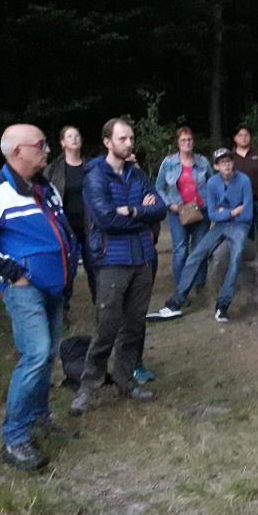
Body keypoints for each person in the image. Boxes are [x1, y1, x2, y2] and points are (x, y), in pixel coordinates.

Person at [0, 124, 78, 471]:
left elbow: (60, 232)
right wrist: (14, 275)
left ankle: (39, 418)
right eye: (40, 144)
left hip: (55, 286)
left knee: (49, 353)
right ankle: (14, 438)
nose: (46, 149)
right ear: (16, 153)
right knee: (37, 354)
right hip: (25, 290)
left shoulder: (45, 187)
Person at [70, 118, 166, 415]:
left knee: (134, 325)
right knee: (107, 326)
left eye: (131, 138)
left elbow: (160, 207)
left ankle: (126, 381)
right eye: (123, 138)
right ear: (107, 142)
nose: (129, 143)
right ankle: (88, 386)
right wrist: (142, 215)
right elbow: (106, 219)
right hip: (112, 260)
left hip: (142, 259)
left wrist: (135, 209)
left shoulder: (136, 175)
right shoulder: (96, 177)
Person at [148, 148, 254, 324]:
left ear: (232, 163)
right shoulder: (212, 182)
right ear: (216, 166)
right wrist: (232, 211)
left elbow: (248, 213)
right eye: (222, 162)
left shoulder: (243, 180)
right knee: (195, 255)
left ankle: (223, 305)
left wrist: (226, 212)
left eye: (229, 161)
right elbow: (212, 214)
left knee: (235, 260)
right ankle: (176, 302)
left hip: (240, 227)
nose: (226, 164)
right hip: (221, 225)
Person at [45, 125, 97, 322]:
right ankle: (62, 311)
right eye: (70, 136)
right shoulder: (52, 170)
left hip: (90, 225)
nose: (74, 139)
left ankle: (101, 307)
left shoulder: (92, 167)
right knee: (67, 270)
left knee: (95, 268)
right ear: (62, 142)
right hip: (65, 229)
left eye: (77, 135)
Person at [155, 127, 212, 292]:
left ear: (193, 142)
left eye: (190, 140)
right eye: (183, 140)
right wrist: (169, 204)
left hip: (201, 212)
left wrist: (212, 203)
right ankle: (181, 289)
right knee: (180, 251)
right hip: (178, 213)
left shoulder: (202, 162)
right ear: (178, 143)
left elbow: (212, 183)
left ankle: (200, 286)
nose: (187, 143)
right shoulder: (169, 162)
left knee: (200, 249)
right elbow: (159, 188)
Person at [231, 125, 258, 239]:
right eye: (240, 135)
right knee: (245, 237)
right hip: (241, 203)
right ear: (235, 138)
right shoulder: (231, 158)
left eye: (246, 135)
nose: (244, 138)